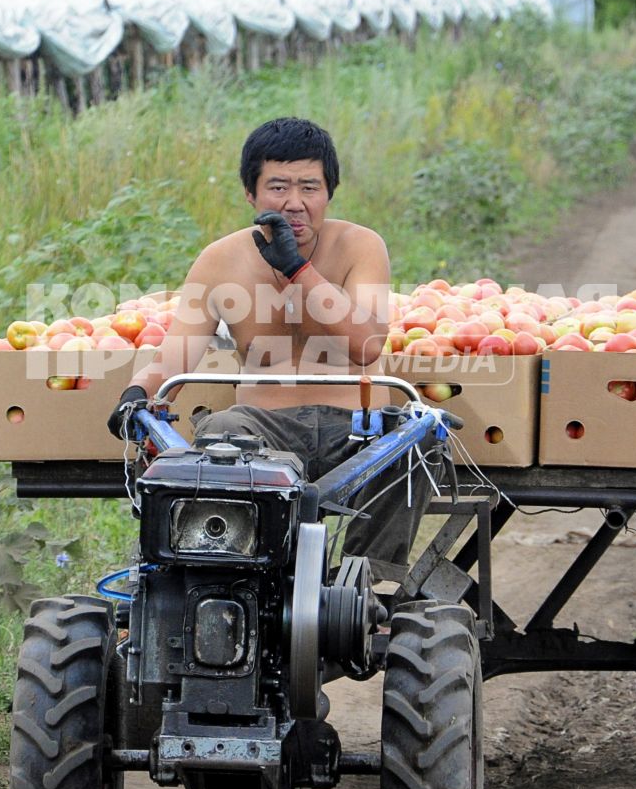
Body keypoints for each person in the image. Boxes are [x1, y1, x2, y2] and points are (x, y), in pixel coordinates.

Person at [107, 117, 425, 573]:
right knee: (219, 432)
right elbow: (173, 359)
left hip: (357, 429)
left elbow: (367, 345)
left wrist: (299, 271)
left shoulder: (360, 247)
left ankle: (369, 586)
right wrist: (137, 392)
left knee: (417, 447)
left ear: (329, 193)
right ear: (251, 194)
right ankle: (252, 581)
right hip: (261, 428)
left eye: (309, 188)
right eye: (278, 187)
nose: (295, 204)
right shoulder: (220, 260)